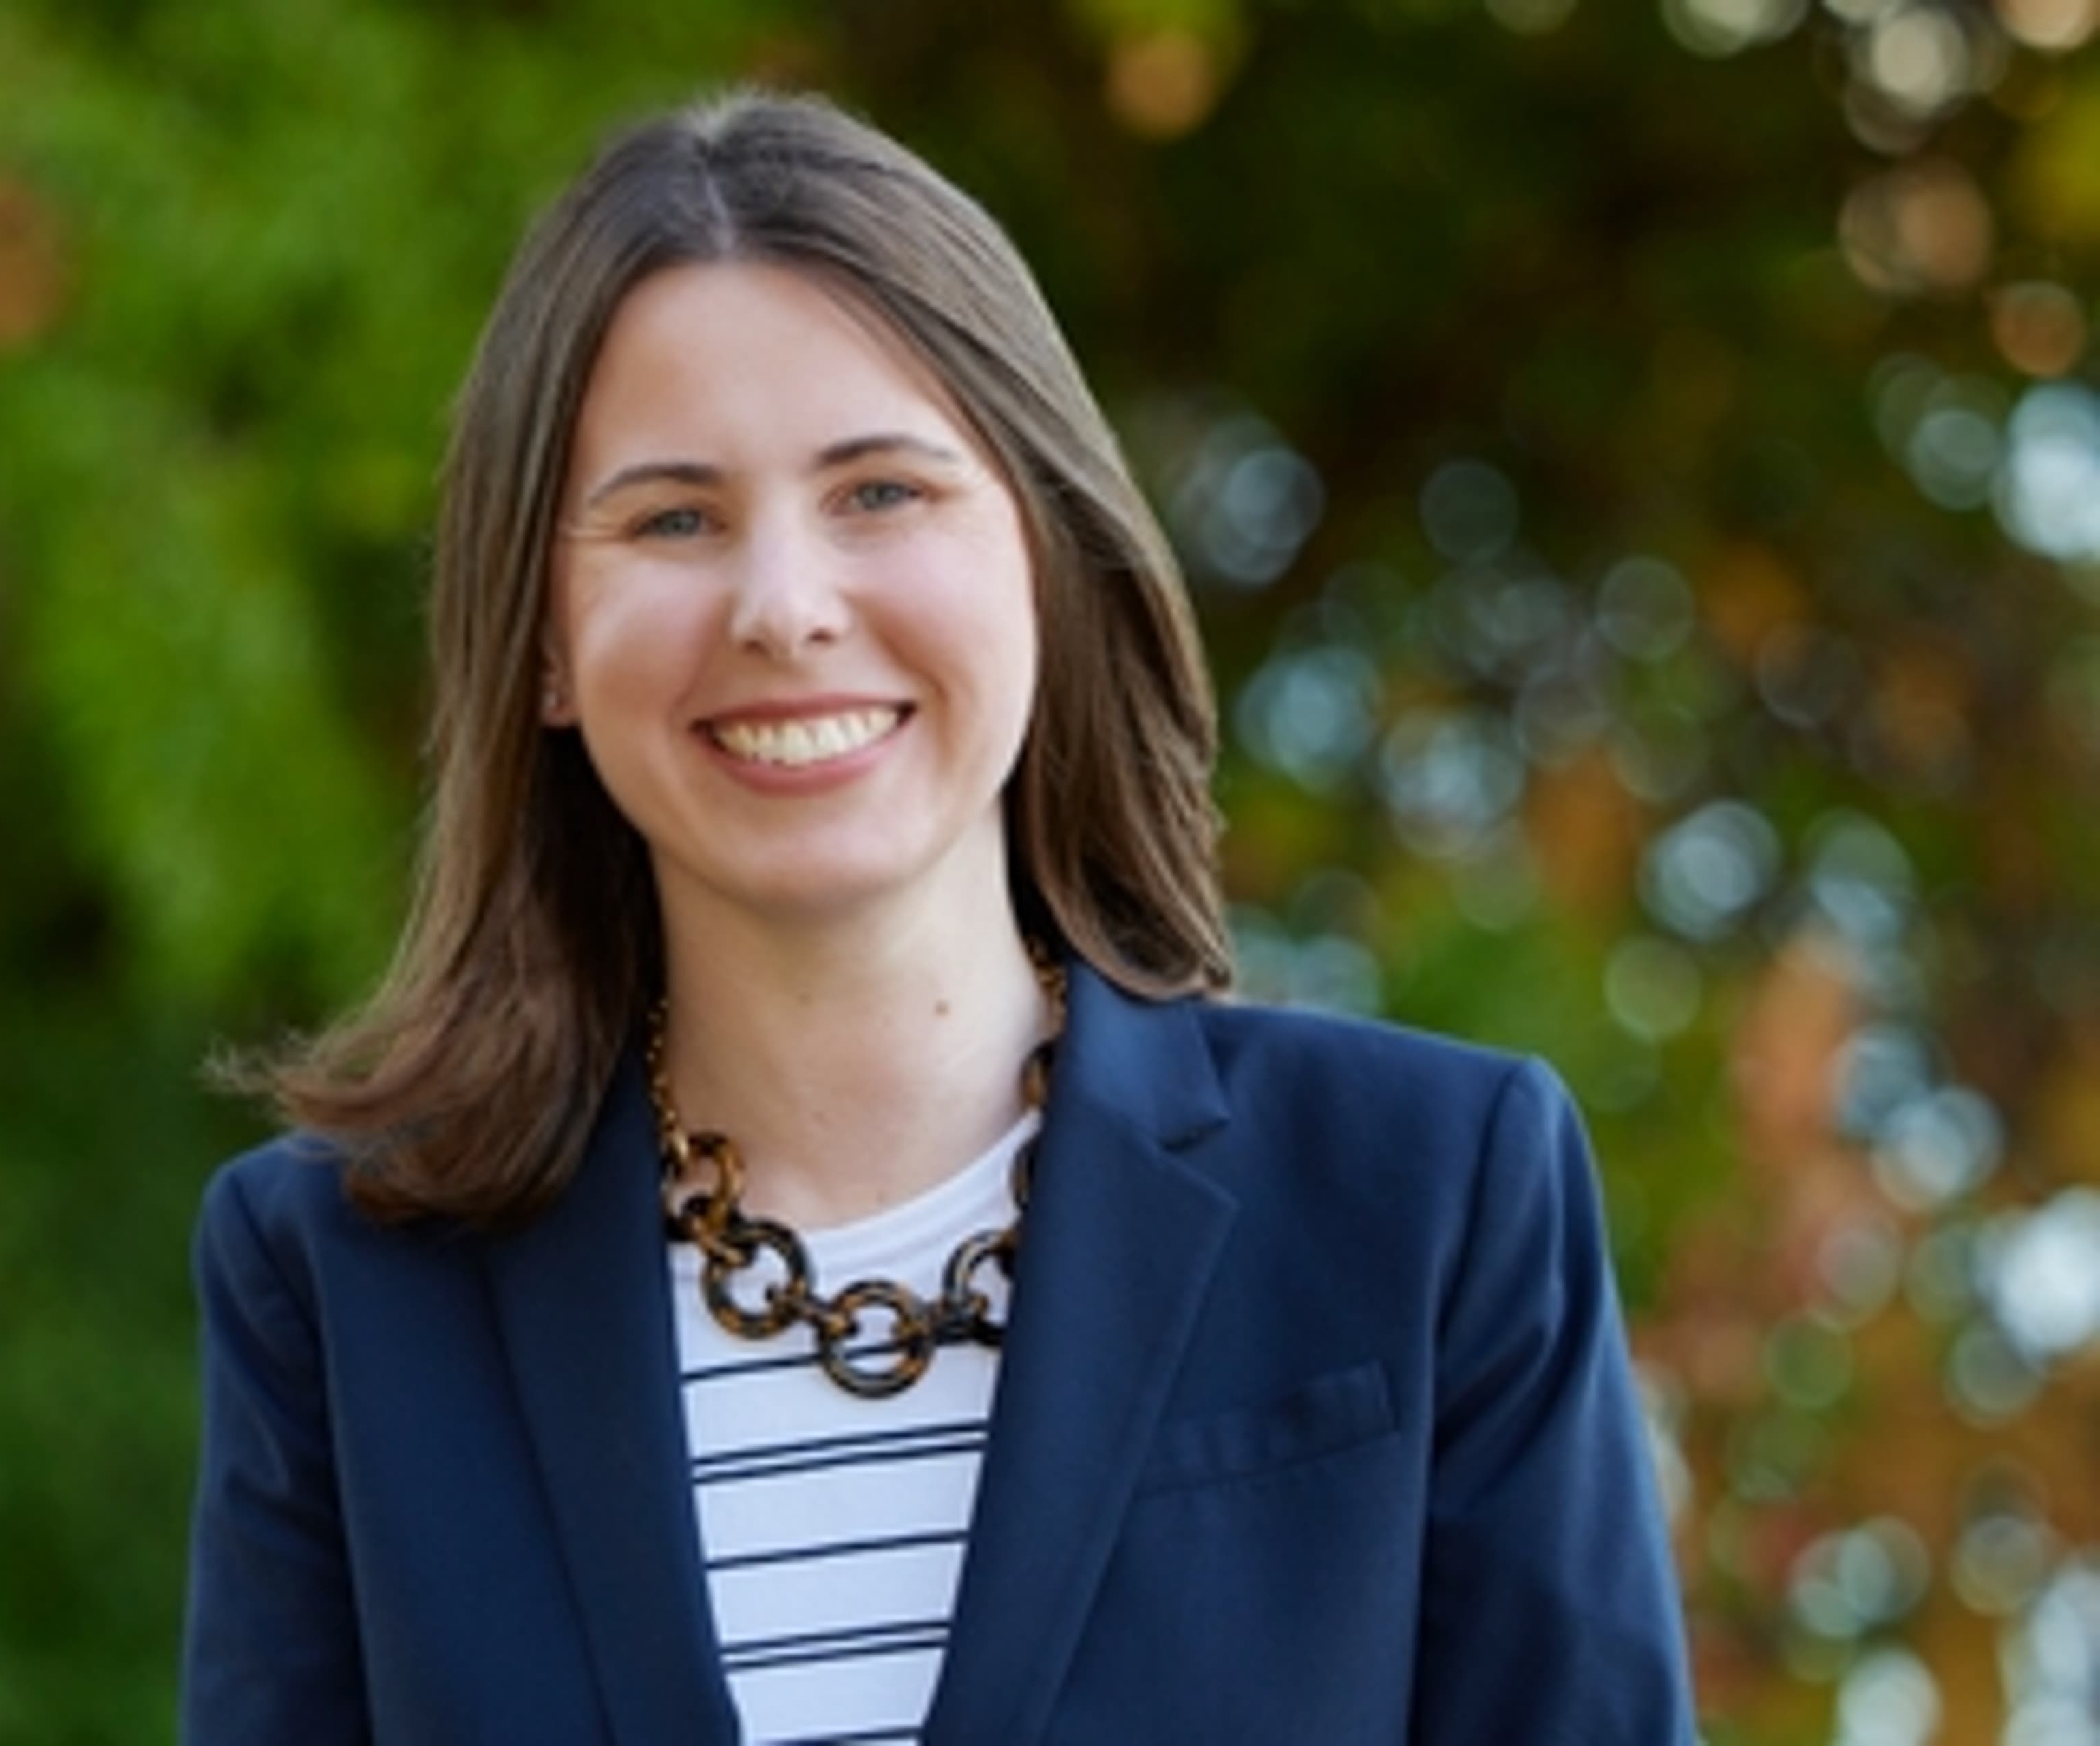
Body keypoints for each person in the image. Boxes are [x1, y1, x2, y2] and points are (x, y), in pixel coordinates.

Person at [181, 89, 1693, 1745]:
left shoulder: (1432, 1197)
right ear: (543, 638)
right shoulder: (340, 1282)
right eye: (674, 518)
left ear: (1042, 554)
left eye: (881, 492)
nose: (783, 607)